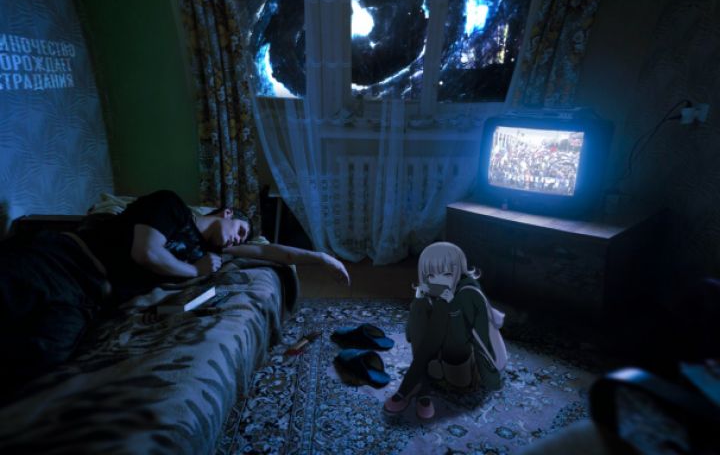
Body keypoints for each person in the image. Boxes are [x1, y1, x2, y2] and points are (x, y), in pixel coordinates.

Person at [0, 189, 349, 394]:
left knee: (43, 358)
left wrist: (323, 258)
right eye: (240, 230)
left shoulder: (207, 250)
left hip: (89, 300)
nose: (237, 241)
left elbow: (272, 252)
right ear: (226, 213)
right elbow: (146, 252)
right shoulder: (171, 206)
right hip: (65, 261)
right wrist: (196, 271)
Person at [383, 242, 506, 420]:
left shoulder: (468, 293)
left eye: (446, 273)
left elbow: (466, 340)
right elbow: (411, 334)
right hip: (437, 363)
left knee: (441, 306)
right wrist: (419, 298)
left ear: (459, 270)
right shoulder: (435, 289)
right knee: (420, 306)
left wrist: (450, 306)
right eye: (431, 275)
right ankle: (422, 388)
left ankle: (411, 386)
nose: (438, 279)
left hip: (465, 368)